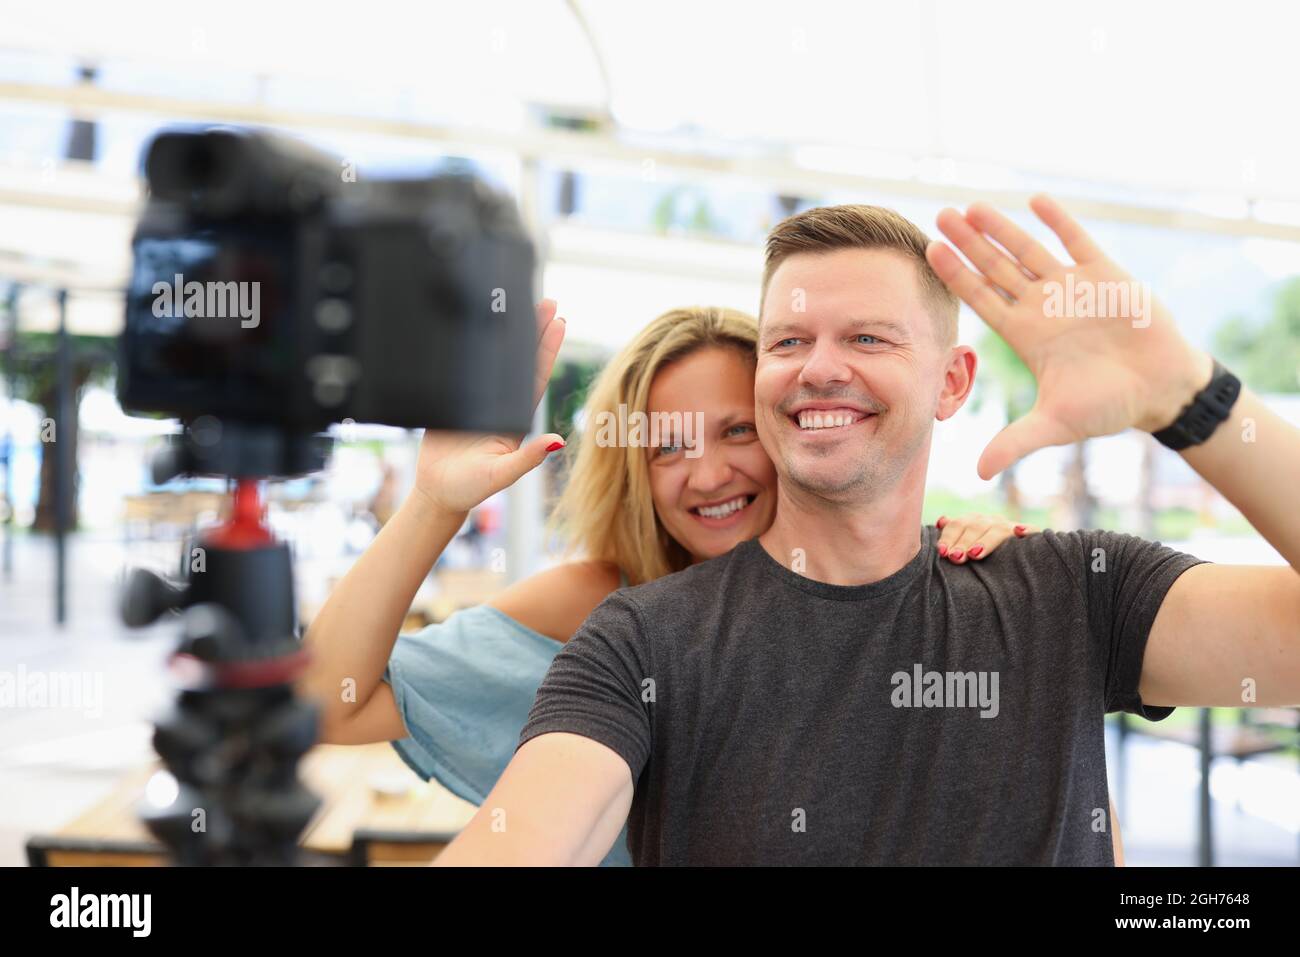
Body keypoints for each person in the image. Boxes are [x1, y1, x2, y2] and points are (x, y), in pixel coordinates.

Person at [433, 196, 1300, 866]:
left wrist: (1193, 399)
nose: (819, 368)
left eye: (868, 337)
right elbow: (532, 832)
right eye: (788, 341)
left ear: (952, 381)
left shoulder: (1073, 593)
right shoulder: (640, 643)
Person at [299, 303, 1039, 866]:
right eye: (669, 445)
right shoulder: (599, 611)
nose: (708, 473)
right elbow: (328, 704)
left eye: (738, 430)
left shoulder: (900, 594)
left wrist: (983, 571)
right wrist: (434, 503)